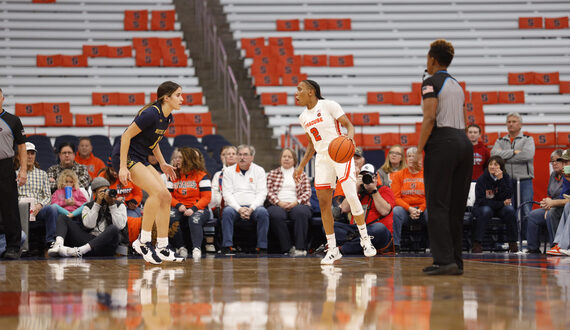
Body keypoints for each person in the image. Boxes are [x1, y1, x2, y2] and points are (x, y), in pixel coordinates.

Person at [294, 79, 376, 265]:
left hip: (341, 154)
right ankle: (332, 249)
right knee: (324, 204)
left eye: (299, 90)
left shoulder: (329, 105)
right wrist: (301, 166)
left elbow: (350, 126)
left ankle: (365, 238)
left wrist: (350, 140)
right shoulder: (303, 117)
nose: (296, 94)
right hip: (322, 158)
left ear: (311, 91)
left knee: (350, 194)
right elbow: (311, 144)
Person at [413, 39, 473, 275]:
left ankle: (443, 261)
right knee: (456, 209)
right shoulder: (457, 85)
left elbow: (429, 119)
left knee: (437, 204)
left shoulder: (430, 82)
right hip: (463, 142)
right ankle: (456, 261)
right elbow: (465, 118)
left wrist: (419, 150)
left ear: (433, 60)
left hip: (442, 143)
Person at [111, 81, 184, 264]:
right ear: (166, 98)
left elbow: (154, 142)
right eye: (178, 95)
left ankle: (162, 245)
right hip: (126, 156)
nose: (182, 99)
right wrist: (122, 167)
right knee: (155, 193)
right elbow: (126, 135)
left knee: (166, 196)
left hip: (141, 157)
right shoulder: (151, 113)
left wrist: (163, 163)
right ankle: (142, 242)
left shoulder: (167, 118)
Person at [48, 177, 127, 257]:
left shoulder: (119, 205)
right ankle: (58, 245)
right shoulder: (87, 206)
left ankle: (80, 251)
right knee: (63, 218)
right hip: (89, 242)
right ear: (94, 193)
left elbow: (119, 226)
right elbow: (89, 225)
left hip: (106, 245)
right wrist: (97, 204)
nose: (104, 194)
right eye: (101, 192)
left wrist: (112, 205)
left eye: (106, 191)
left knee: (113, 228)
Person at [491, 112, 535, 237]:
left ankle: (527, 239)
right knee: (508, 210)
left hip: (525, 180)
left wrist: (504, 156)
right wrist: (514, 152)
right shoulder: (500, 140)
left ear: (520, 124)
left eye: (514, 121)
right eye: (509, 121)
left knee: (526, 210)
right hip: (506, 181)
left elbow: (527, 155)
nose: (511, 124)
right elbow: (494, 156)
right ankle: (512, 239)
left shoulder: (528, 139)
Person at [334, 164, 395, 255]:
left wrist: (374, 190)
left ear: (375, 178)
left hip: (375, 232)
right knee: (331, 227)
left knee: (379, 229)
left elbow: (384, 211)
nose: (366, 179)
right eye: (363, 176)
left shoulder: (384, 190)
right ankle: (358, 245)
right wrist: (355, 189)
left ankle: (344, 249)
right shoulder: (357, 193)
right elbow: (344, 209)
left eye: (369, 176)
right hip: (357, 230)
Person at [221, 144, 269, 254]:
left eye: (245, 154)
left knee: (263, 213)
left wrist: (251, 209)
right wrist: (239, 209)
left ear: (252, 157)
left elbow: (262, 193)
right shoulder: (228, 171)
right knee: (227, 212)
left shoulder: (259, 170)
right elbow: (227, 194)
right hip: (235, 208)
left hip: (254, 207)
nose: (242, 157)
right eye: (240, 154)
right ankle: (227, 246)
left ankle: (262, 247)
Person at [266, 148, 312, 256]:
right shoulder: (272, 173)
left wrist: (296, 202)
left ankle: (300, 249)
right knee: (276, 214)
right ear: (280, 159)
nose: (286, 159)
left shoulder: (301, 174)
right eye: (284, 156)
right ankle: (287, 248)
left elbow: (307, 192)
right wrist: (278, 202)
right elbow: (268, 192)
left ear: (294, 160)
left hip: (297, 203)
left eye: (289, 157)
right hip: (277, 204)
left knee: (301, 212)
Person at [169, 147, 212, 259]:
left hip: (198, 208)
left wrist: (193, 209)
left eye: (180, 157)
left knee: (195, 219)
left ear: (188, 159)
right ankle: (181, 247)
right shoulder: (172, 175)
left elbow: (206, 198)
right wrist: (178, 205)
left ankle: (196, 249)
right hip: (179, 207)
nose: (177, 160)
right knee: (171, 216)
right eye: (176, 157)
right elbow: (168, 196)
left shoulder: (202, 175)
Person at [0, 87, 27, 259]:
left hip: (5, 166)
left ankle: (13, 246)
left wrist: (23, 170)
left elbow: (22, 145)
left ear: (2, 98)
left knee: (9, 207)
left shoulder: (12, 120)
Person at [472, 156, 518, 253]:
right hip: (484, 207)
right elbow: (481, 201)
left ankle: (513, 243)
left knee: (510, 211)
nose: (492, 167)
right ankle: (477, 243)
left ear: (501, 167)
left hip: (499, 208)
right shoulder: (482, 179)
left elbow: (508, 195)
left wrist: (500, 180)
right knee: (486, 211)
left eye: (495, 165)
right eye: (490, 164)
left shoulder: (505, 178)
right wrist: (501, 203)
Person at [17, 142, 59, 250]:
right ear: (21, 156)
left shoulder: (42, 174)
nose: (30, 156)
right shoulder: (14, 174)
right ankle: (20, 244)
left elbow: (48, 197)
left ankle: (50, 241)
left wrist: (40, 205)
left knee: (52, 208)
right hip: (20, 209)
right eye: (27, 153)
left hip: (37, 209)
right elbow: (12, 196)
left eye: (32, 153)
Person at [527, 149, 565, 253]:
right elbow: (550, 194)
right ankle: (533, 248)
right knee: (533, 215)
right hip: (552, 206)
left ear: (565, 161)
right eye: (552, 161)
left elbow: (566, 197)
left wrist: (551, 204)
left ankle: (556, 246)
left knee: (550, 214)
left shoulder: (568, 175)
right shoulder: (553, 175)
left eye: (558, 160)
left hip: (564, 208)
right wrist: (546, 203)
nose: (554, 163)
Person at [390, 147, 427, 253]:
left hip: (423, 210)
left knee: (434, 212)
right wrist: (409, 209)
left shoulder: (427, 174)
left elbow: (430, 197)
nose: (411, 158)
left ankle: (435, 246)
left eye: (414, 156)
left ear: (420, 159)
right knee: (396, 211)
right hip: (405, 211)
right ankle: (395, 245)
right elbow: (396, 197)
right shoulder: (398, 175)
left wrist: (421, 209)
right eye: (409, 156)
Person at [209, 145, 237, 211]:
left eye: (233, 154)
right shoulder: (218, 175)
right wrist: (225, 201)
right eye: (228, 154)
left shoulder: (243, 172)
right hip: (223, 205)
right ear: (225, 157)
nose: (231, 156)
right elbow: (215, 192)